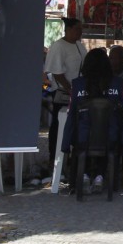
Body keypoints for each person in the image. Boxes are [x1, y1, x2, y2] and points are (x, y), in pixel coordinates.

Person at [63, 47, 123, 195]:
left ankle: (85, 174)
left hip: (83, 138)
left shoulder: (77, 85)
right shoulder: (119, 84)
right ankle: (100, 176)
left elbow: (71, 112)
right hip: (110, 138)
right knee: (108, 136)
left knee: (85, 136)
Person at [45, 17, 85, 160]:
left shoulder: (80, 46)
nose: (80, 32)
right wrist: (70, 89)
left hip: (78, 91)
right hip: (63, 91)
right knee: (58, 124)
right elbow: (57, 72)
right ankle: (54, 156)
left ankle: (70, 156)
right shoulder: (58, 46)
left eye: (81, 29)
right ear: (68, 30)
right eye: (77, 29)